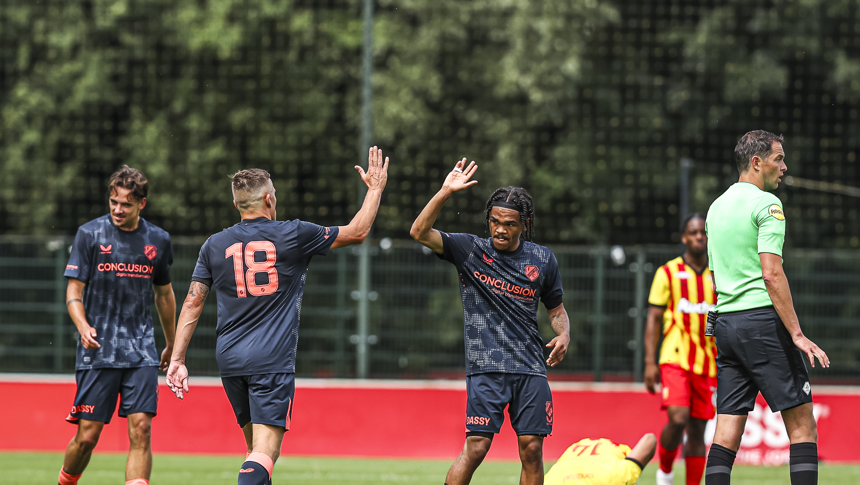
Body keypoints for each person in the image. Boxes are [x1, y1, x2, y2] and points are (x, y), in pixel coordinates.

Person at [166, 147, 389, 485]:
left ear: (236, 205)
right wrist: (374, 189)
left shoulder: (213, 245)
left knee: (254, 453)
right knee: (265, 453)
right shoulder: (293, 234)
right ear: (269, 199)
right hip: (270, 361)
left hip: (230, 361)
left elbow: (193, 302)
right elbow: (357, 231)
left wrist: (178, 359)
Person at [410, 158, 571, 485]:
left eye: (509, 223)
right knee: (477, 447)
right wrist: (444, 192)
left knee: (532, 450)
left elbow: (556, 311)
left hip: (530, 369)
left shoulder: (542, 259)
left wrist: (565, 333)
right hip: (487, 367)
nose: (500, 229)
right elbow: (418, 231)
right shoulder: (469, 250)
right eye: (495, 221)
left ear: (524, 224)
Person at [704, 130, 829, 485]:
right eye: (778, 159)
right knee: (803, 428)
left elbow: (716, 275)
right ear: (756, 162)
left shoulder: (716, 207)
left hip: (726, 326)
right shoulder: (767, 205)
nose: (784, 167)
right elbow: (771, 274)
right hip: (762, 324)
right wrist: (797, 334)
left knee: (725, 434)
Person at [59, 166, 176, 485]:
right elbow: (74, 290)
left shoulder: (158, 240)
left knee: (142, 429)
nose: (117, 209)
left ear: (142, 203)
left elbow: (164, 294)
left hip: (141, 351)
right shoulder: (90, 234)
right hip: (98, 351)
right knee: (87, 437)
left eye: (125, 203)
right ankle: (66, 481)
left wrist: (171, 344)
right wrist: (82, 324)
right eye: (113, 202)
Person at [644, 213, 717, 485]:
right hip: (674, 358)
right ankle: (664, 471)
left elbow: (714, 319)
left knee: (698, 431)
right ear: (685, 237)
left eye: (703, 233)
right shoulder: (668, 272)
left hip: (707, 362)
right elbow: (653, 318)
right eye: (694, 232)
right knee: (678, 419)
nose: (699, 237)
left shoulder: (717, 275)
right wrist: (650, 362)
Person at [544, 433, 657, 485]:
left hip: (582, 448)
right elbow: (650, 438)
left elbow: (650, 439)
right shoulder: (616, 478)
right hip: (581, 448)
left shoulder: (617, 477)